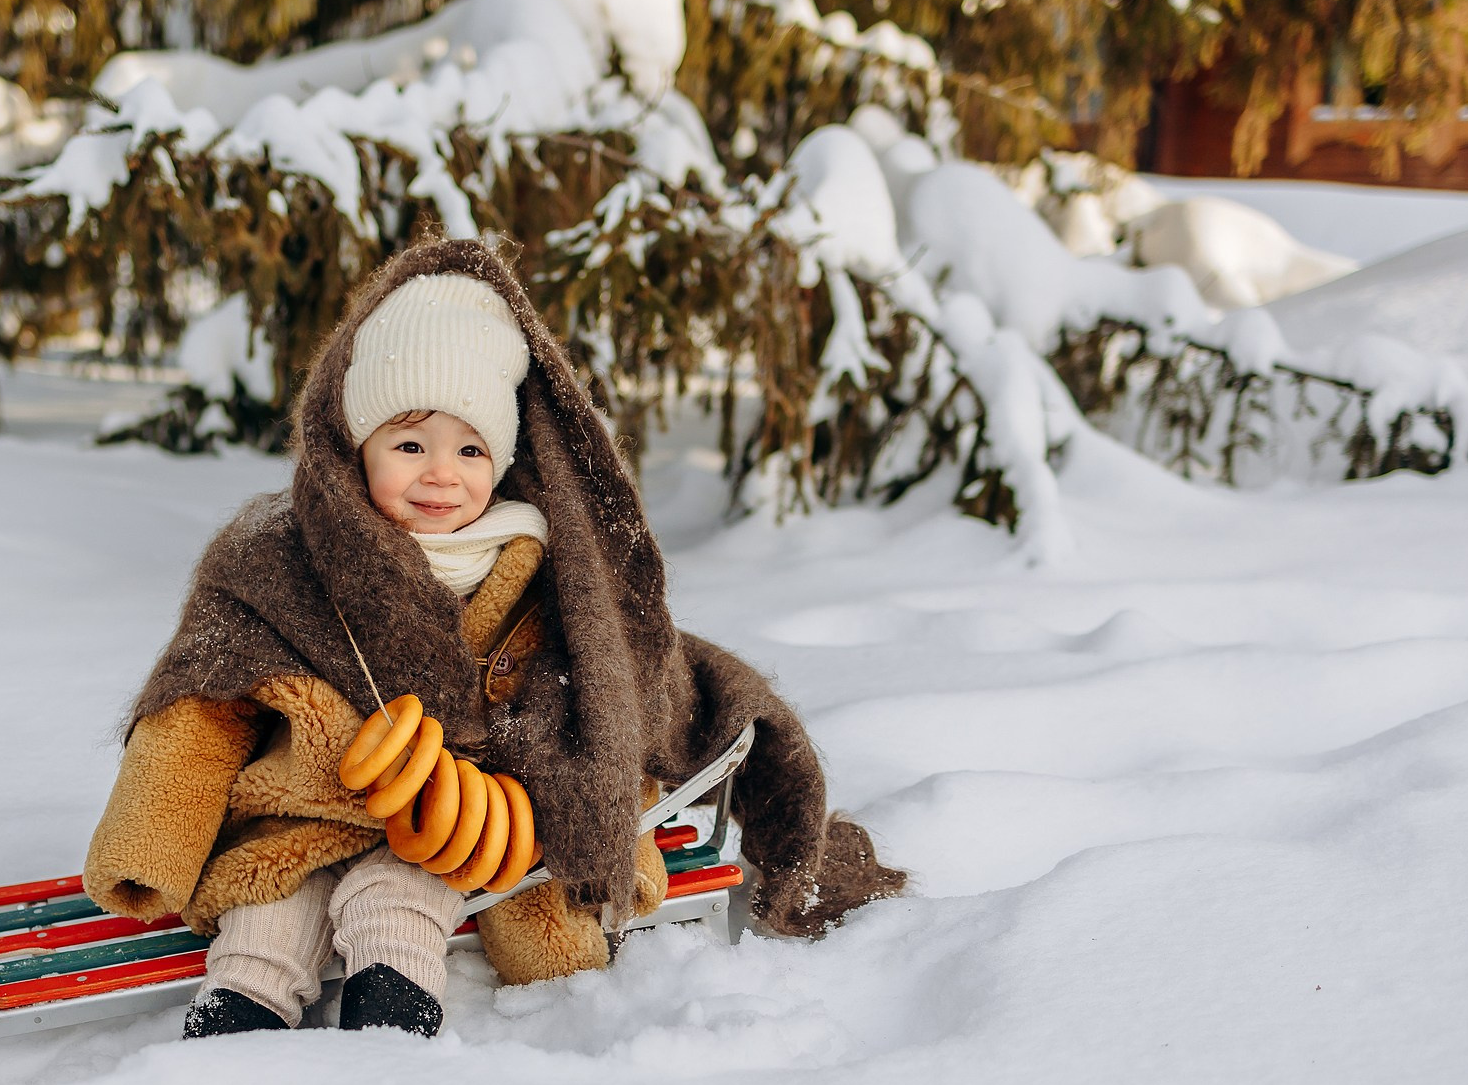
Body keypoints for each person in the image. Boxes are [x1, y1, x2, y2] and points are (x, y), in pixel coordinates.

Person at [83, 237, 905, 1038]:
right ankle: (237, 1017)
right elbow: (197, 711)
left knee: (401, 895)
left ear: (501, 457)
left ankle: (393, 1009)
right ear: (354, 446)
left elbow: (598, 689)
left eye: (469, 448)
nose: (441, 473)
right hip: (294, 812)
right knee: (265, 907)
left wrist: (545, 793)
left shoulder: (540, 568)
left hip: (448, 825)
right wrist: (146, 848)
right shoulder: (277, 557)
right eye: (409, 445)